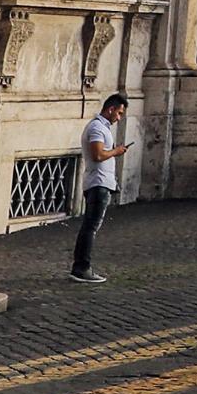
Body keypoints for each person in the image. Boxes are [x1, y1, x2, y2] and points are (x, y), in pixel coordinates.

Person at [68, 94, 129, 283]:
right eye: (118, 113)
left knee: (90, 226)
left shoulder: (102, 128)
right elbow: (98, 155)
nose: (119, 118)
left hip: (100, 182)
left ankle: (81, 267)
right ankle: (82, 267)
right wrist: (116, 152)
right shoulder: (97, 127)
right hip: (98, 183)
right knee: (91, 227)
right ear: (110, 109)